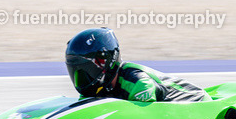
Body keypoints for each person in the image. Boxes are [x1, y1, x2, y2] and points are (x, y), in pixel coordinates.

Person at [65, 28, 209, 102]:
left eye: (85, 70)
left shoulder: (138, 82)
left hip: (197, 104)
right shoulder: (97, 91)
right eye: (75, 71)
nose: (81, 78)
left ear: (106, 61)